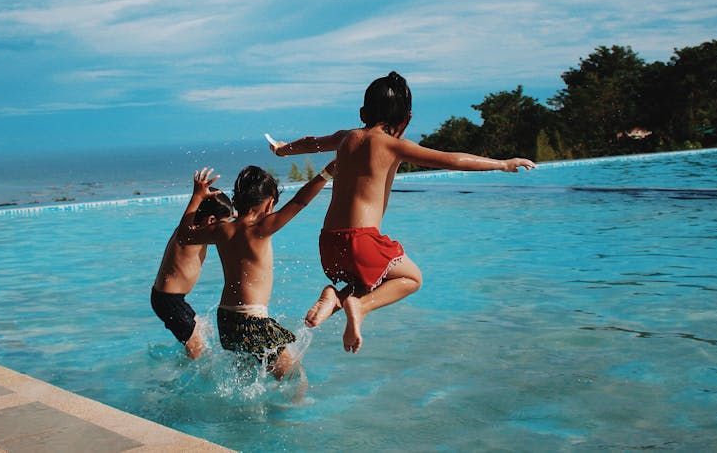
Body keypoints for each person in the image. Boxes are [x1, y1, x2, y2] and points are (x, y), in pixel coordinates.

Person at [267, 71, 535, 353]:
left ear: (363, 112)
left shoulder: (346, 138)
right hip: (362, 240)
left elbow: (311, 143)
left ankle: (334, 297)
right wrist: (503, 164)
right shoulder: (393, 145)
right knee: (411, 278)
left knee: (372, 278)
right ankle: (358, 305)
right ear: (405, 119)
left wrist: (283, 150)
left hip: (329, 243)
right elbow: (453, 160)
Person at [178, 163, 334, 381]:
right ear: (269, 203)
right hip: (252, 321)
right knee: (295, 378)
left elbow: (184, 236)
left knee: (246, 378)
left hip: (226, 320)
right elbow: (299, 202)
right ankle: (287, 414)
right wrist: (326, 174)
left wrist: (196, 197)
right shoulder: (261, 229)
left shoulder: (222, 230)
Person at [151, 167, 236, 359]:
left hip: (172, 299)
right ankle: (182, 384)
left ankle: (183, 364)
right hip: (168, 301)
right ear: (211, 220)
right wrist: (197, 196)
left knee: (203, 331)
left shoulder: (196, 228)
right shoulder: (190, 235)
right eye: (225, 221)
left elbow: (225, 220)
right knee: (197, 350)